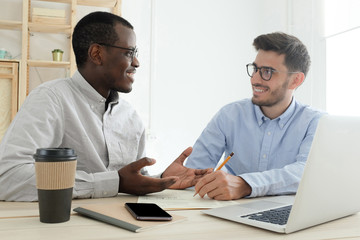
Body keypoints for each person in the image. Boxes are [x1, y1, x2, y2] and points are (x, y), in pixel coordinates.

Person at [0, 12, 211, 201]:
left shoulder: (130, 116)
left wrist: (165, 179)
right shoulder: (51, 99)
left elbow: (129, 182)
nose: (136, 62)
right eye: (129, 52)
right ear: (97, 54)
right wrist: (113, 182)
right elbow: (7, 177)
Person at [186, 32, 324, 200]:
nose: (255, 79)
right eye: (255, 69)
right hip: (231, 212)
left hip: (288, 215)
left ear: (295, 80)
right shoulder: (229, 115)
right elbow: (195, 172)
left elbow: (304, 172)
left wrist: (245, 184)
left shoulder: (316, 122)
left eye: (268, 72)